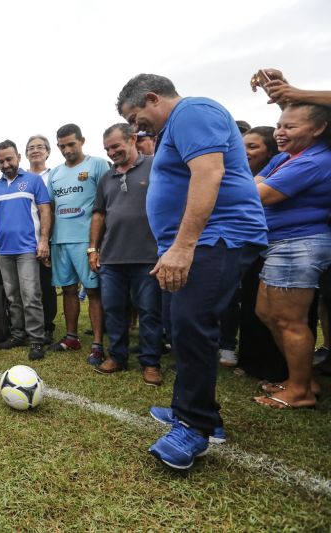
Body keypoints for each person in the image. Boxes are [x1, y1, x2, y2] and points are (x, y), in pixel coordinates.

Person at [117, 73, 268, 469]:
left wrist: (183, 247)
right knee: (180, 324)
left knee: (191, 322)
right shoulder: (175, 127)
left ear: (152, 98)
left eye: (136, 117)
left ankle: (195, 426)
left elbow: (208, 174)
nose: (136, 128)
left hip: (218, 237)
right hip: (195, 243)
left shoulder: (192, 111)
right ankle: (197, 411)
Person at [253, 103, 331, 409]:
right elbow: (257, 181)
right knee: (266, 312)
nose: (280, 133)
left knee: (290, 320)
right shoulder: (286, 157)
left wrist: (258, 184)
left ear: (318, 129)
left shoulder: (315, 160)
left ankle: (300, 391)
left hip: (298, 244)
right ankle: (302, 379)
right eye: (279, 125)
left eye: (290, 127)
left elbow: (260, 194)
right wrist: (258, 183)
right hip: (280, 244)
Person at [89, 123, 162, 385]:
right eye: (107, 148)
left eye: (116, 146)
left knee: (149, 311)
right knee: (114, 310)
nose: (111, 152)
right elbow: (99, 214)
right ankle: (117, 357)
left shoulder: (155, 166)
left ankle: (151, 363)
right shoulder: (106, 178)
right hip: (112, 257)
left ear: (132, 139)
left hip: (148, 256)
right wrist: (93, 249)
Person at [47, 124, 109, 364]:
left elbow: (106, 203)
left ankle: (97, 344)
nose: (66, 150)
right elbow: (50, 209)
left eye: (71, 144)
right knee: (68, 289)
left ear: (82, 140)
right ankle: (71, 337)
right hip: (60, 240)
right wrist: (48, 239)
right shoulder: (55, 173)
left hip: (87, 241)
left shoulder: (97, 164)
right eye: (62, 146)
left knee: (94, 291)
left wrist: (100, 243)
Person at [0, 140, 51, 361]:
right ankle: (18, 334)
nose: (5, 164)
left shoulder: (33, 181)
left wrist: (43, 241)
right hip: (4, 251)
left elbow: (44, 211)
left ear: (18, 157)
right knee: (13, 296)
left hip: (28, 249)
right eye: (1, 161)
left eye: (9, 159)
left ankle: (36, 339)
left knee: (31, 295)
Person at [221, 127, 280, 370]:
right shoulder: (240, 174)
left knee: (265, 308)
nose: (245, 152)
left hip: (270, 246)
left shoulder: (281, 167)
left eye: (253, 146)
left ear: (270, 152)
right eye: (243, 146)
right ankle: (250, 359)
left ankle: (271, 365)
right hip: (241, 245)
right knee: (243, 301)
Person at [26, 135, 57, 343]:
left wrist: (46, 239)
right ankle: (26, 325)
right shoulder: (21, 177)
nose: (35, 150)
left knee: (46, 285)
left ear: (47, 151)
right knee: (27, 286)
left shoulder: (55, 175)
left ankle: (47, 326)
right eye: (31, 148)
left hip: (48, 237)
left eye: (40, 147)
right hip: (25, 240)